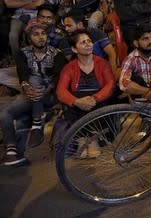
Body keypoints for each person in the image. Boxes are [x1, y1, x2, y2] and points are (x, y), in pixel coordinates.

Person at [0, 22, 66, 166]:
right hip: (31, 95)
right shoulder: (23, 53)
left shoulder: (57, 54)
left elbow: (58, 77)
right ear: (30, 38)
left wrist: (44, 89)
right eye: (36, 34)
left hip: (50, 95)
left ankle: (37, 123)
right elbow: (22, 74)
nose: (41, 37)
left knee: (35, 80)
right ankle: (11, 151)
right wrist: (26, 87)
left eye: (43, 33)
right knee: (5, 114)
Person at [57, 29, 115, 125]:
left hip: (99, 102)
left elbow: (110, 84)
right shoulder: (69, 68)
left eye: (89, 41)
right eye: (83, 42)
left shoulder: (103, 64)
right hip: (78, 104)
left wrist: (95, 98)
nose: (88, 44)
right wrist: (76, 101)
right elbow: (61, 91)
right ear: (74, 49)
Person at [60, 11, 119, 78]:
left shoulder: (96, 33)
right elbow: (75, 63)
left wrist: (113, 75)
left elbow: (111, 54)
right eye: (65, 26)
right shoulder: (64, 41)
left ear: (79, 25)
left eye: (69, 26)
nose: (66, 29)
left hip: (104, 69)